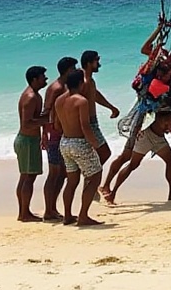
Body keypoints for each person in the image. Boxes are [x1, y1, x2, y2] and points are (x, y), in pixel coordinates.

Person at [54, 68, 104, 227]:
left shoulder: (59, 100)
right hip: (79, 143)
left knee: (72, 180)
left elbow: (56, 124)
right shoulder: (81, 101)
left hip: (65, 142)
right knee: (95, 176)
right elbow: (85, 126)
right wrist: (95, 144)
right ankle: (83, 216)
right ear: (81, 83)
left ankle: (67, 216)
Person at [102, 110, 171, 204]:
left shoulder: (169, 109)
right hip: (146, 137)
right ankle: (112, 194)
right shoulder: (163, 108)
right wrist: (170, 129)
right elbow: (160, 122)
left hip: (158, 138)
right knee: (132, 165)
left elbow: (165, 127)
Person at [42, 55, 78, 222]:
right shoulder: (56, 88)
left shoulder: (63, 86)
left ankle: (53, 209)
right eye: (74, 68)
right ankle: (49, 210)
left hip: (60, 135)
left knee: (62, 173)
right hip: (55, 136)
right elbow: (46, 111)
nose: (77, 71)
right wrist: (46, 134)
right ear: (68, 70)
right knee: (54, 173)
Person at [14, 65, 48, 222]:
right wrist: (48, 120)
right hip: (27, 140)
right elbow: (27, 123)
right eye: (43, 76)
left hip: (29, 140)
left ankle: (23, 212)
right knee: (29, 177)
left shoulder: (34, 95)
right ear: (35, 79)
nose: (46, 79)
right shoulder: (30, 97)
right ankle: (24, 213)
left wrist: (42, 135)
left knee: (26, 176)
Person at [79, 50, 119, 166]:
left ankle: (90, 176)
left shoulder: (90, 80)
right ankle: (91, 176)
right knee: (104, 153)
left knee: (99, 154)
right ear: (88, 63)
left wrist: (111, 107)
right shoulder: (84, 82)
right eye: (97, 61)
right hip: (87, 123)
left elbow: (95, 95)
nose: (99, 64)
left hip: (92, 122)